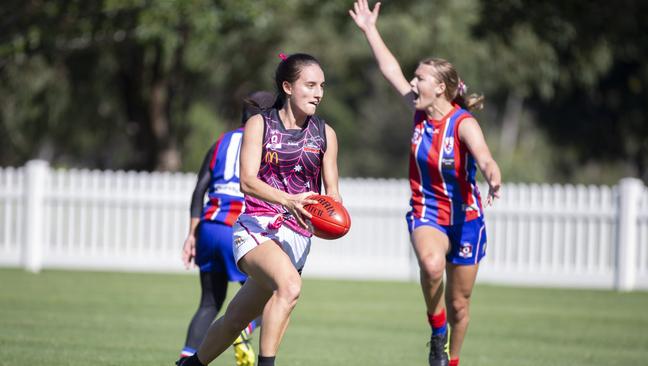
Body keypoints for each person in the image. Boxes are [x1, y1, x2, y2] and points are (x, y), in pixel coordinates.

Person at [350, 1, 502, 366]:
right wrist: (371, 29)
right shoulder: (419, 111)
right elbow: (390, 71)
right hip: (427, 212)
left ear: (442, 89)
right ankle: (437, 334)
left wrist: (493, 176)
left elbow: (484, 156)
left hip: (466, 219)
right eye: (414, 77)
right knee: (432, 266)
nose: (413, 82)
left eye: (420, 78)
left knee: (460, 305)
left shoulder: (463, 123)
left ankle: (451, 360)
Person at [177, 52, 341, 366]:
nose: (319, 92)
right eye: (310, 85)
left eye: (322, 85)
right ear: (288, 87)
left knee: (236, 320)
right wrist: (290, 201)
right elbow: (248, 183)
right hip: (256, 229)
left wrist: (331, 213)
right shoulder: (259, 125)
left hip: (297, 240)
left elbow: (332, 192)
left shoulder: (326, 134)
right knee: (290, 287)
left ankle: (190, 364)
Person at [178, 91, 275, 366]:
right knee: (268, 295)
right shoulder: (267, 142)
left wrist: (191, 235)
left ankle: (186, 359)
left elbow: (199, 190)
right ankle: (244, 330)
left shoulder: (220, 142)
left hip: (209, 228)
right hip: (241, 228)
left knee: (209, 302)